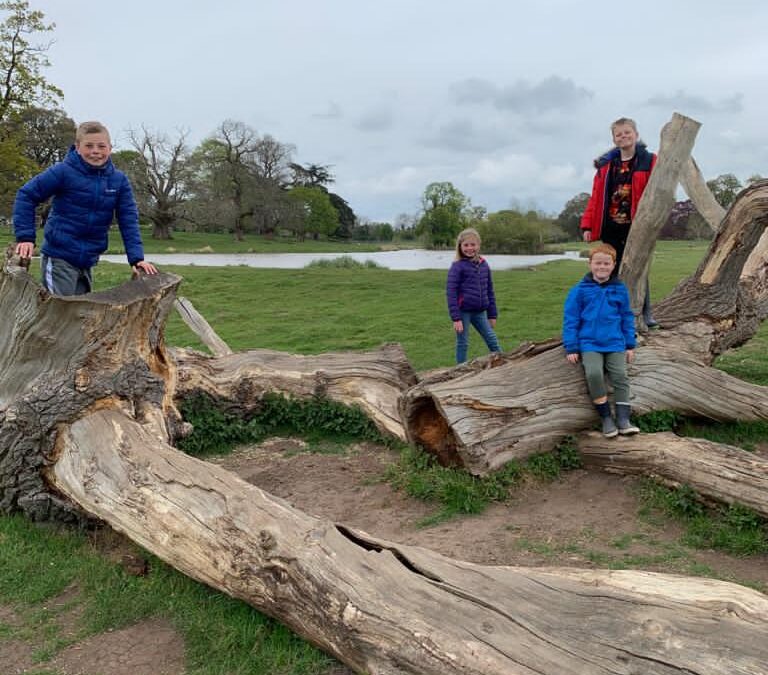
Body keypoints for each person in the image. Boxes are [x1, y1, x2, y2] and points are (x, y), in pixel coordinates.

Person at [13, 120, 157, 296]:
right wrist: (26, 237)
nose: (95, 151)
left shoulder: (118, 181)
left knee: (81, 316)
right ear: (78, 147)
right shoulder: (63, 171)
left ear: (110, 148)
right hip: (59, 256)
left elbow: (129, 220)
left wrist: (137, 259)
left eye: (101, 146)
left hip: (88, 260)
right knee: (59, 312)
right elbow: (26, 195)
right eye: (89, 146)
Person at [580, 117, 657, 327]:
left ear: (636, 135)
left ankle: (645, 314)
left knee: (637, 269)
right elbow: (595, 197)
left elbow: (658, 191)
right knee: (608, 269)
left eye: (627, 132)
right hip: (611, 227)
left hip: (636, 226)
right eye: (619, 134)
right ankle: (607, 314)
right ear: (614, 139)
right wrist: (587, 225)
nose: (623, 136)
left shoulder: (649, 160)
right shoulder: (606, 167)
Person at [563, 243, 640, 437]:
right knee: (594, 374)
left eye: (606, 264)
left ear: (613, 265)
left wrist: (630, 344)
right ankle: (606, 418)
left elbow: (626, 317)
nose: (602, 267)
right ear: (590, 264)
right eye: (598, 263)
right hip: (589, 343)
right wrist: (572, 347)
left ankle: (623, 420)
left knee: (621, 376)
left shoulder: (619, 289)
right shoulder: (579, 290)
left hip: (615, 342)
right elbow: (571, 319)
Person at [446, 227, 502, 364]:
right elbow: (451, 292)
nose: (469, 248)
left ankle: (503, 363)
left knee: (491, 339)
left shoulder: (484, 264)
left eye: (473, 244)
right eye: (466, 245)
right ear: (460, 246)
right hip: (463, 312)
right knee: (463, 343)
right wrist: (456, 318)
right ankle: (460, 371)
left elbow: (490, 290)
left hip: (480, 312)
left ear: (478, 245)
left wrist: (492, 314)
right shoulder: (457, 266)